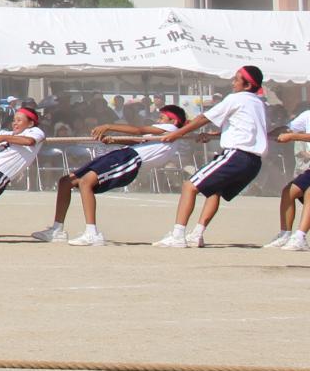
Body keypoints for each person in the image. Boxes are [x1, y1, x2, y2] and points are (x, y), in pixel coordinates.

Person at [32, 104, 191, 247]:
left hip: (129, 159)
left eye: (162, 117)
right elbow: (139, 141)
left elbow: (139, 130)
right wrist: (114, 140)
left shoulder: (172, 130)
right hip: (123, 154)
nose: (158, 119)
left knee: (86, 183)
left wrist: (108, 126)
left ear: (173, 121)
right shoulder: (164, 134)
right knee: (65, 181)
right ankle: (57, 229)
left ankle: (92, 233)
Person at [148, 66, 270, 248]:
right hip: (253, 162)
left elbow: (202, 118)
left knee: (189, 186)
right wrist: (214, 135)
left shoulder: (236, 98)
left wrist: (177, 134)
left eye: (236, 79)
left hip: (236, 155)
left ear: (246, 85)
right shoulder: (259, 103)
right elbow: (246, 130)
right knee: (214, 191)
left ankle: (178, 235)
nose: (233, 82)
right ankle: (197, 234)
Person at [266, 97, 310, 251]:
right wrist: (267, 135)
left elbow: (293, 135)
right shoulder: (307, 115)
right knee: (288, 192)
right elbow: (288, 129)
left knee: (309, 194)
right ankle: (285, 234)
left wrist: (293, 137)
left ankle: (300, 237)